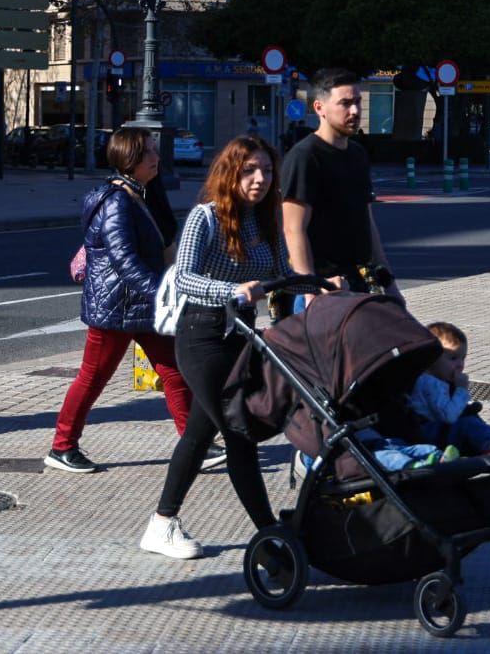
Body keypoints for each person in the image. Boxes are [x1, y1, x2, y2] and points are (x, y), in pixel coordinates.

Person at [141, 136, 297, 560]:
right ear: (230, 173)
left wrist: (322, 284)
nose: (260, 179)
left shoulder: (265, 220)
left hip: (241, 338)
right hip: (202, 336)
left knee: (198, 433)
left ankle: (160, 524)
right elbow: (184, 276)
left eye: (266, 170)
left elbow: (283, 273)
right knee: (238, 433)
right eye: (249, 170)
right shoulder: (204, 218)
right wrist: (232, 290)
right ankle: (271, 540)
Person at [46, 128, 216, 474]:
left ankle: (194, 444)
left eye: (154, 151)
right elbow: (126, 262)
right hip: (115, 308)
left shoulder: (137, 194)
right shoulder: (117, 202)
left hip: (139, 306)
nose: (157, 158)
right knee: (92, 377)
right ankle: (62, 447)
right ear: (130, 160)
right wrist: (164, 292)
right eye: (149, 153)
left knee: (174, 371)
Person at [280, 68, 399, 316]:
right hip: (323, 290)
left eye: (357, 102)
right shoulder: (305, 157)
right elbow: (293, 229)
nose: (354, 111)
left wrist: (390, 284)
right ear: (319, 108)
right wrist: (310, 291)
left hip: (358, 285)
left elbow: (367, 222)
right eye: (345, 103)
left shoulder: (357, 154)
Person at [408, 322, 490, 455]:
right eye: (453, 358)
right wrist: (461, 390)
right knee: (468, 423)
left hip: (437, 428)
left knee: (483, 427)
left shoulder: (435, 380)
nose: (460, 364)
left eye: (462, 358)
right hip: (430, 434)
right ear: (431, 358)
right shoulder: (429, 384)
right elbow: (449, 416)